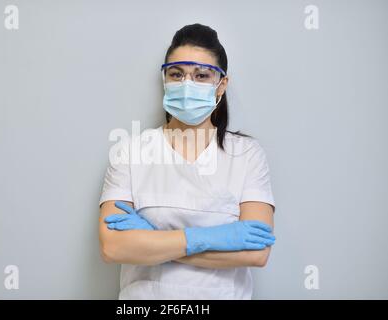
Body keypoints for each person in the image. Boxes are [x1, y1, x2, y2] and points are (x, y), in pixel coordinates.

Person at [98, 23, 276, 299]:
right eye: (176, 74)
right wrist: (211, 239)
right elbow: (113, 247)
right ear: (165, 79)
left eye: (201, 75)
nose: (187, 84)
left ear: (221, 85)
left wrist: (154, 241)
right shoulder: (129, 152)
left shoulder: (247, 155)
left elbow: (256, 253)